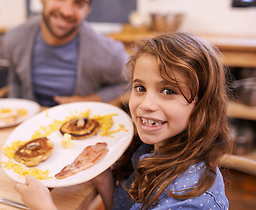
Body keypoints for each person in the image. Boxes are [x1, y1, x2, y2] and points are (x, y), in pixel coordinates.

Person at [14, 32, 234, 210]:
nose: (146, 104)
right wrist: (103, 181)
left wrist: (43, 206)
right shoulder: (149, 149)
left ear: (203, 105)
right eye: (140, 88)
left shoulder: (188, 200)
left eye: (168, 91)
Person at [3, 0, 129, 107]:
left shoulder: (108, 54)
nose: (66, 11)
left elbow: (132, 82)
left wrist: (94, 98)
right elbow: (16, 83)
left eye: (79, 3)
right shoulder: (14, 39)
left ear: (87, 10)